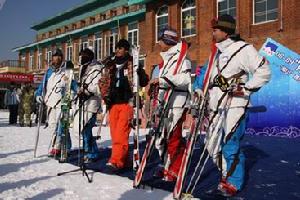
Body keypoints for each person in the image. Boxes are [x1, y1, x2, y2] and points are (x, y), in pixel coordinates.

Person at [198, 14, 271, 196]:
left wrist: (246, 89)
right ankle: (226, 173)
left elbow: (264, 70)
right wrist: (199, 90)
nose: (213, 33)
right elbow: (206, 77)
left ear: (225, 31)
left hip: (235, 105)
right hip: (216, 105)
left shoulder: (244, 49)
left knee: (230, 144)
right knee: (211, 144)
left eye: (215, 30)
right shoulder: (216, 53)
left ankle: (233, 181)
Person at [99, 39, 149, 171]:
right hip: (113, 102)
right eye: (116, 48)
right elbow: (103, 81)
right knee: (115, 133)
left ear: (126, 50)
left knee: (122, 132)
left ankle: (116, 161)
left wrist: (140, 73)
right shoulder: (111, 65)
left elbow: (144, 81)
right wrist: (105, 95)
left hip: (127, 101)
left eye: (120, 48)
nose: (117, 50)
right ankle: (123, 159)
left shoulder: (133, 62)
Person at [155, 28, 191, 181]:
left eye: (161, 40)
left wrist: (162, 80)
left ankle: (175, 168)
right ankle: (166, 165)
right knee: (162, 137)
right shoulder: (166, 60)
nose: (159, 43)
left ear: (168, 42)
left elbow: (185, 79)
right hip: (165, 103)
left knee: (173, 137)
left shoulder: (183, 59)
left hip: (177, 102)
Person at [35, 49, 77, 157]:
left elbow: (72, 84)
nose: (57, 58)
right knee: (53, 127)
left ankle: (62, 147)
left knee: (62, 126)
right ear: (52, 58)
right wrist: (38, 94)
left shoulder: (66, 71)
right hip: (50, 103)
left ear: (62, 58)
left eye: (59, 56)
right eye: (55, 56)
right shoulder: (49, 72)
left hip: (63, 102)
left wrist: (78, 90)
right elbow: (42, 86)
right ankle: (59, 146)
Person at [73, 48, 101, 162]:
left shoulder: (97, 68)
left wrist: (86, 89)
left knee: (87, 128)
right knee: (82, 128)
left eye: (83, 56)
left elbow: (97, 87)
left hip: (92, 103)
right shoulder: (82, 68)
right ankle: (87, 150)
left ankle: (92, 153)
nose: (80, 58)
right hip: (82, 102)